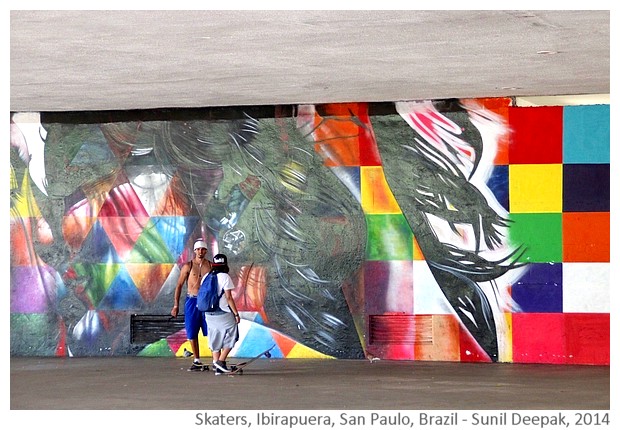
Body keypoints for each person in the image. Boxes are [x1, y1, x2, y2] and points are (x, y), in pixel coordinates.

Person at [171, 239, 212, 371]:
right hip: (192, 301)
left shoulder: (210, 266)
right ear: (194, 251)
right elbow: (179, 285)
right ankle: (196, 360)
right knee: (192, 330)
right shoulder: (188, 266)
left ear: (206, 251)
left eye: (203, 249)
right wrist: (176, 305)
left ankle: (217, 359)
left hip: (206, 302)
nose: (200, 252)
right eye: (198, 249)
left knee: (212, 330)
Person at [203, 253, 241, 374]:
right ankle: (221, 361)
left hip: (208, 313)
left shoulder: (206, 276)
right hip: (223, 312)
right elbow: (229, 298)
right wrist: (236, 314)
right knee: (232, 334)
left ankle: (217, 367)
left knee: (215, 338)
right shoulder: (225, 277)